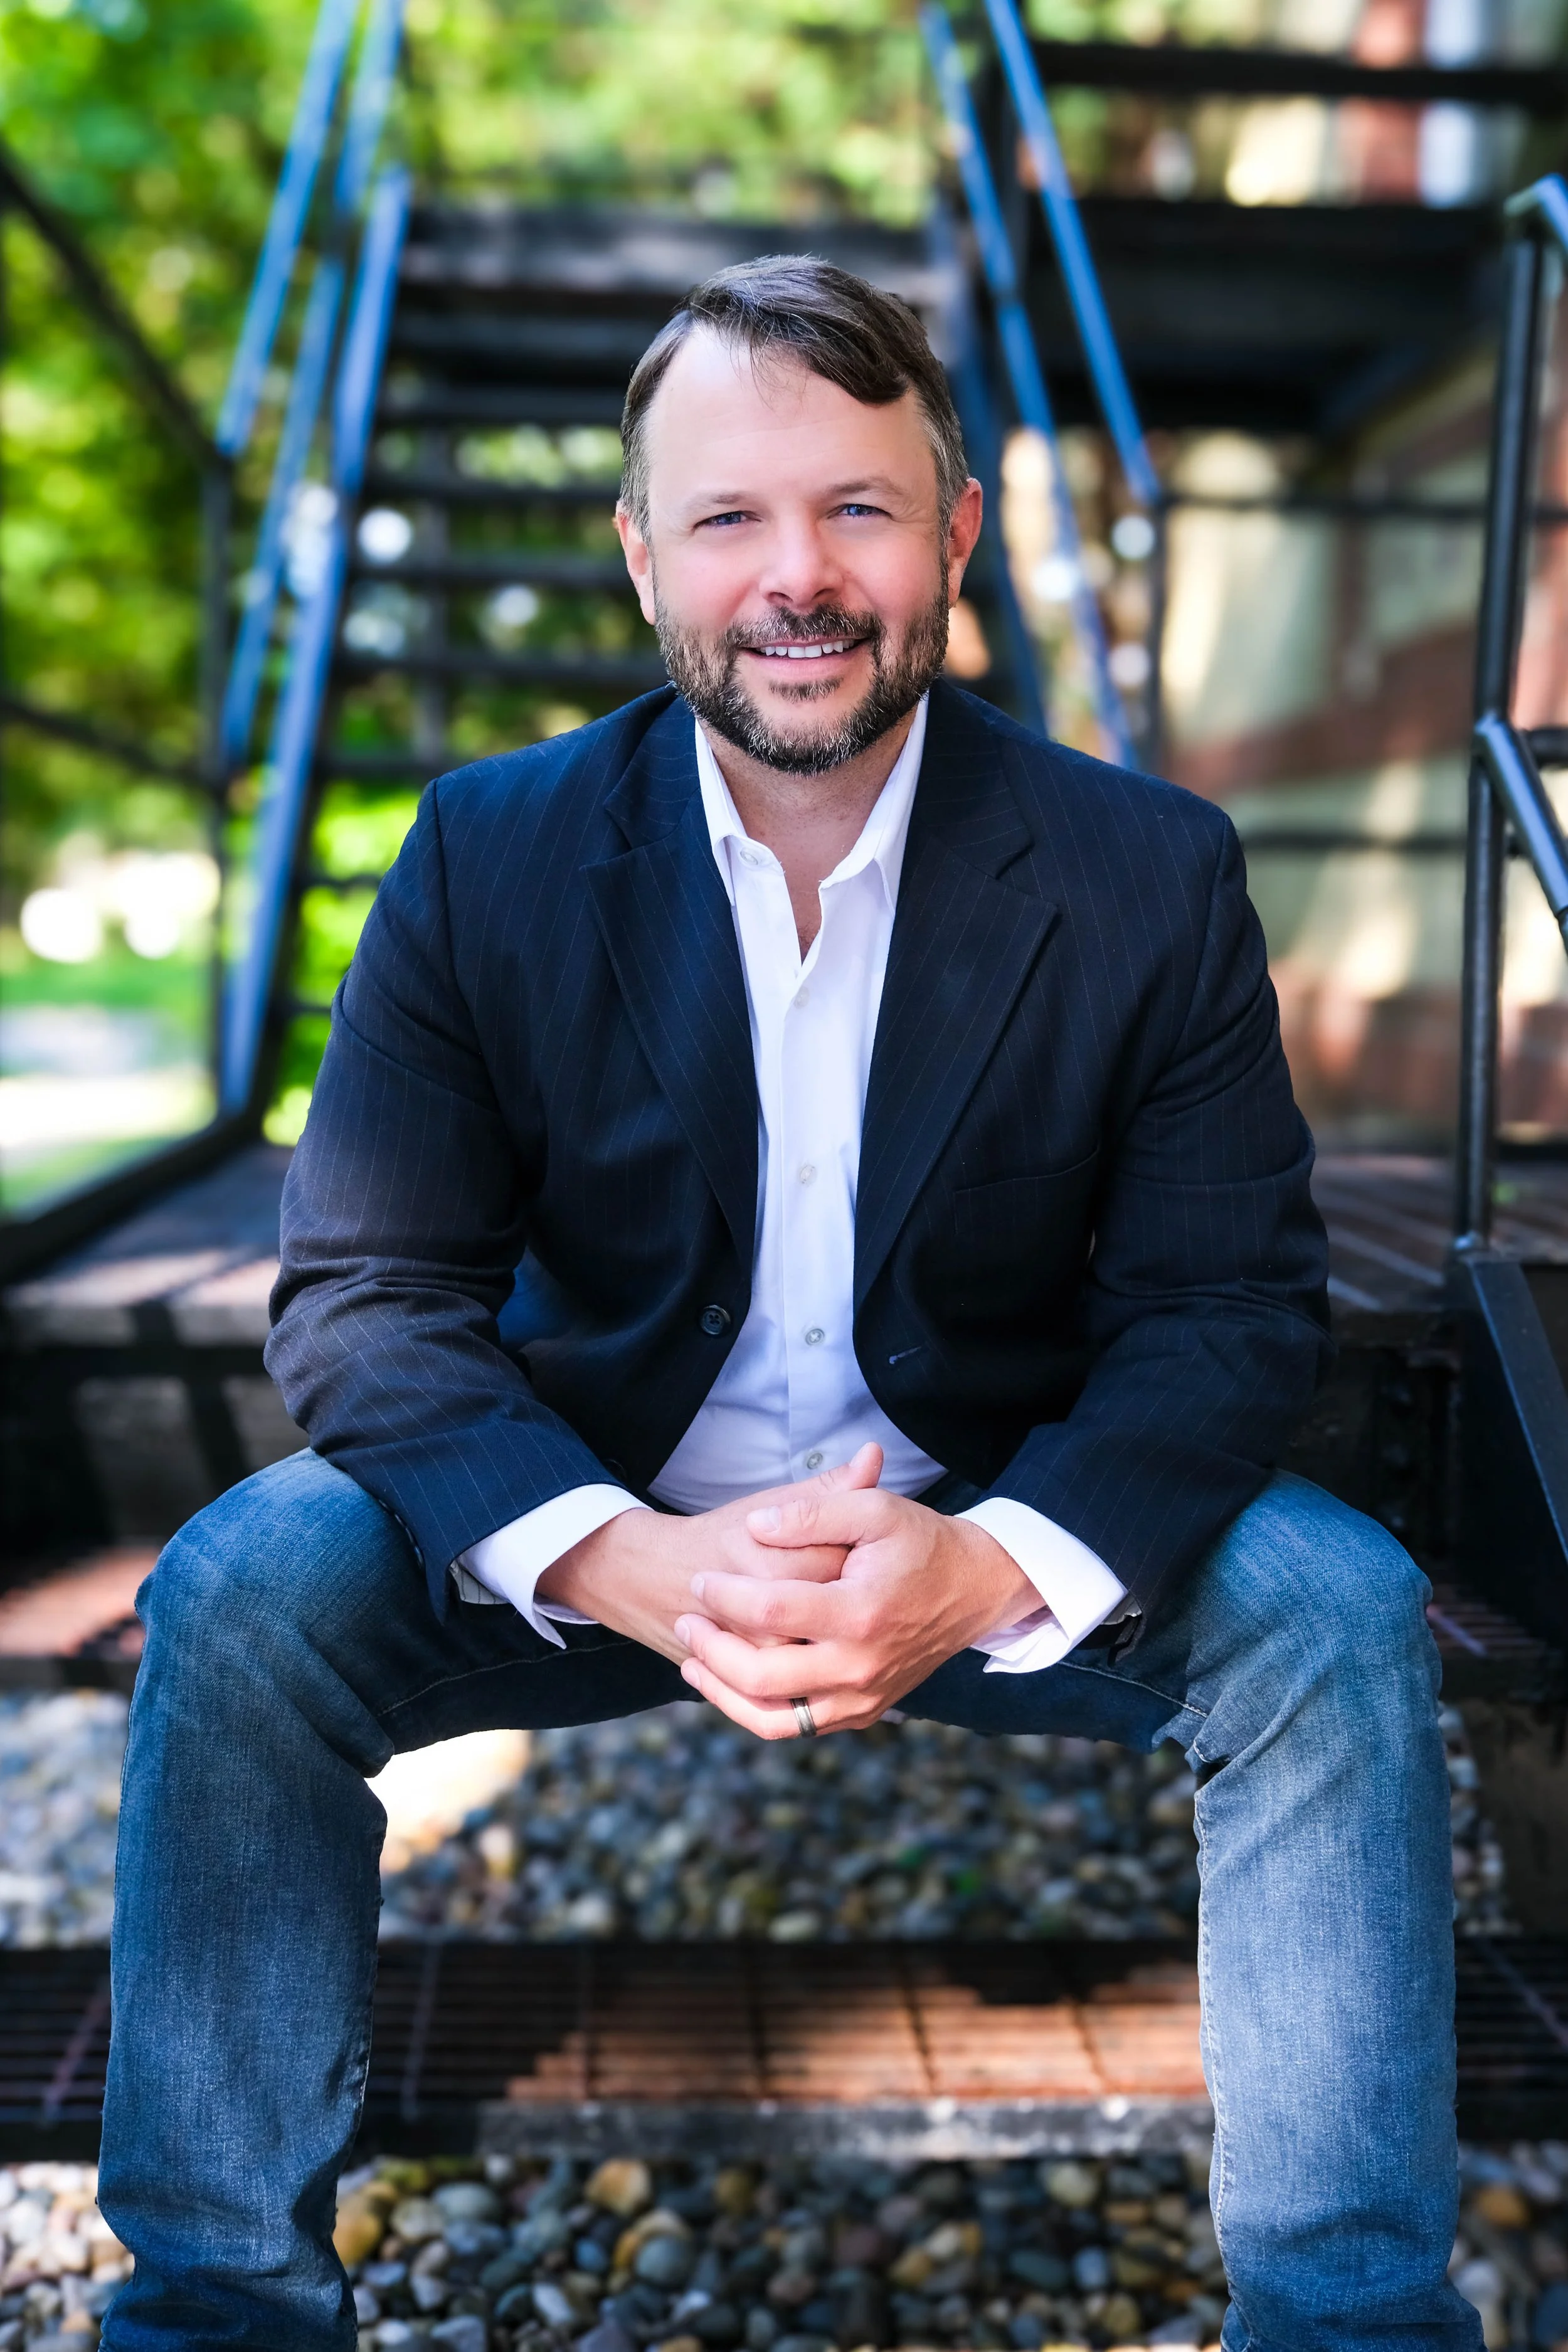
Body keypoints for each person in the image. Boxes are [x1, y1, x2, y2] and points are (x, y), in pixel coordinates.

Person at [98, 256, 1476, 2352]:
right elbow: (369, 1293)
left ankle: (1352, 2324)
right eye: (729, 516)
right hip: (603, 1509)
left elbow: (1226, 1311)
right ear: (642, 554)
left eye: (856, 507)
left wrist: (985, 1564)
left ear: (956, 533)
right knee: (241, 1590)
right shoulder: (483, 854)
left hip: (988, 1514)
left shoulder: (1148, 868)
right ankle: (215, 2318)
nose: (797, 577)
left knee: (1335, 1606)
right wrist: (622, 1559)